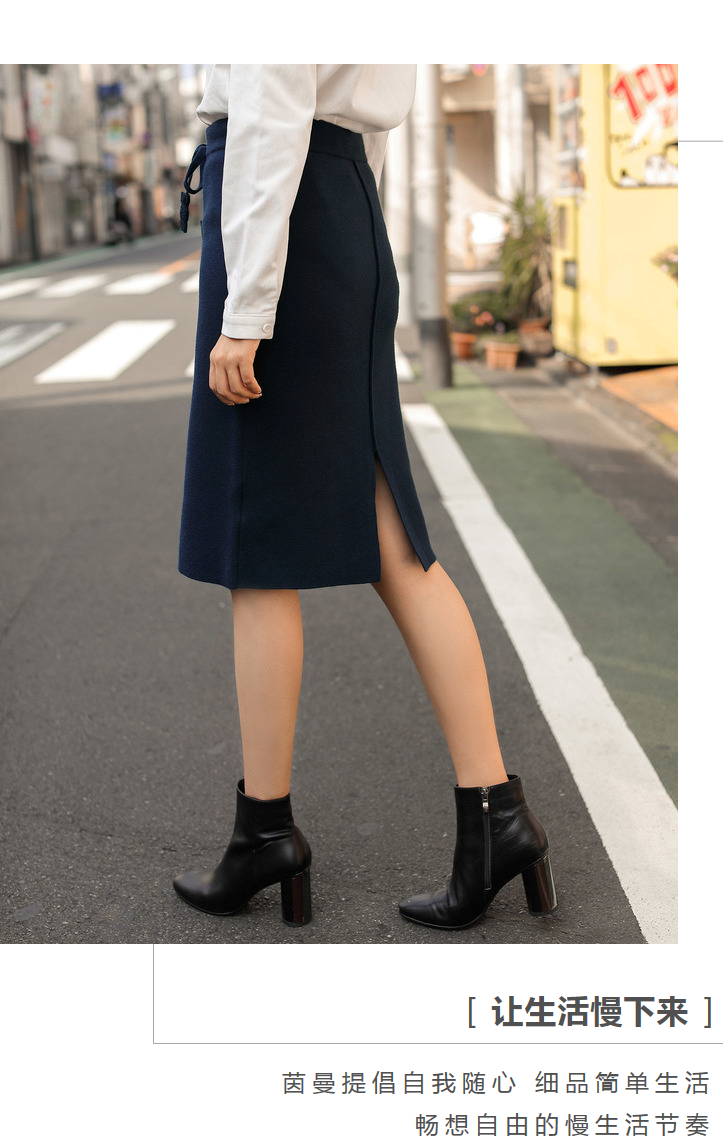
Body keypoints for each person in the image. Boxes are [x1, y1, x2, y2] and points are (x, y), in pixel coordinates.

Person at [172, 64, 556, 931]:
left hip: (286, 221)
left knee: (254, 545)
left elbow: (271, 105)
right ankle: (495, 816)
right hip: (341, 209)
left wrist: (248, 309)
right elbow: (360, 119)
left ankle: (265, 834)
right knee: (389, 532)